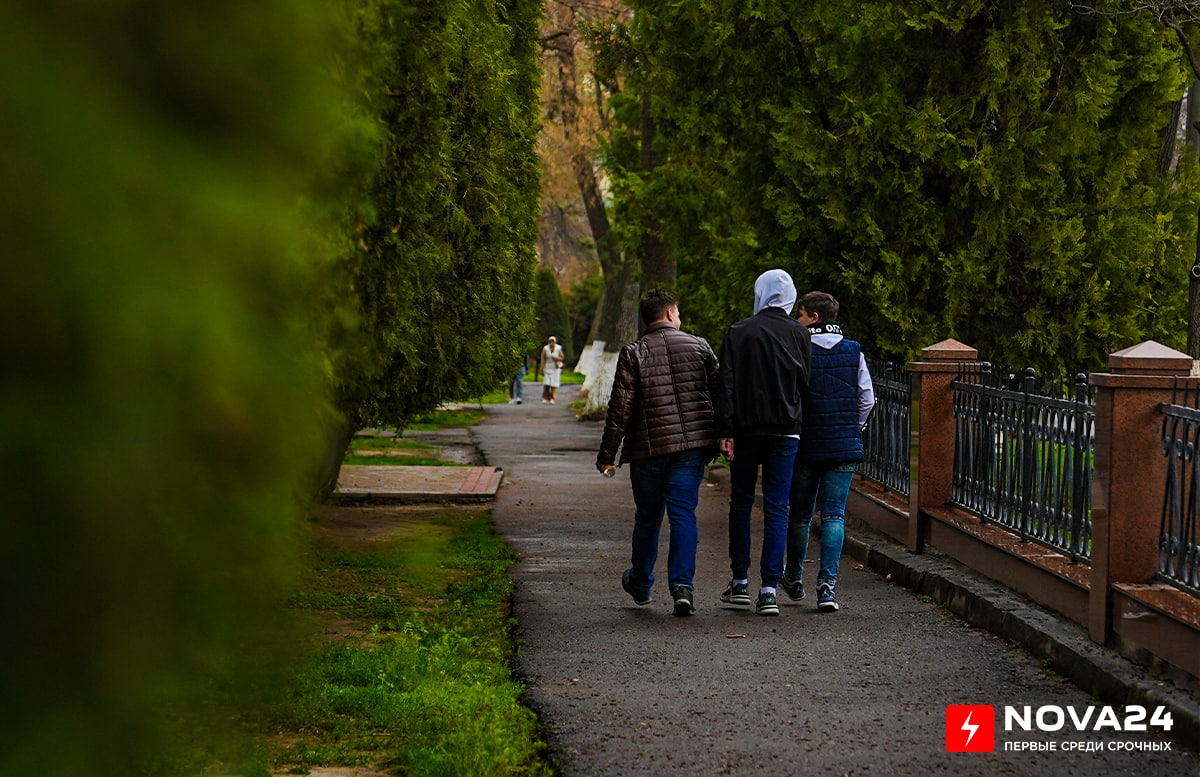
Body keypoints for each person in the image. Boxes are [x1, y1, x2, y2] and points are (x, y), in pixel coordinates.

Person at [597, 290, 720, 616]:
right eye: (677, 313)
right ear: (668, 314)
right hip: (691, 448)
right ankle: (682, 588)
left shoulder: (633, 353)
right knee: (683, 514)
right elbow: (719, 393)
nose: (679, 318)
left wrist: (607, 454)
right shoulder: (700, 346)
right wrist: (722, 437)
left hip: (647, 450)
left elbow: (620, 409)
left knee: (648, 518)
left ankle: (641, 584)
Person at [715, 269, 811, 616]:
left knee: (741, 503)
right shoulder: (800, 334)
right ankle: (769, 589)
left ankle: (740, 581)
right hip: (785, 430)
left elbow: (726, 385)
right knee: (777, 508)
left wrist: (724, 432)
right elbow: (805, 383)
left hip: (744, 430)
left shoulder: (739, 331)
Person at [781, 291, 875, 612]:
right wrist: (854, 428)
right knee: (834, 515)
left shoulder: (799, 349)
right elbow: (867, 398)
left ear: (814, 318)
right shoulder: (854, 351)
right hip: (844, 447)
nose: (797, 320)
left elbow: (789, 397)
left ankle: (793, 577)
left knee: (801, 514)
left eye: (801, 315)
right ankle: (827, 587)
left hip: (806, 445)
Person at [540, 335, 564, 404]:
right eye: (550, 342)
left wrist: (556, 358)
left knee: (554, 384)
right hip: (547, 367)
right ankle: (545, 397)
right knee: (547, 383)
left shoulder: (558, 348)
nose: (552, 343)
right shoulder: (545, 349)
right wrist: (542, 368)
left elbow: (562, 357)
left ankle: (552, 398)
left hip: (555, 368)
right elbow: (543, 359)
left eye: (553, 342)